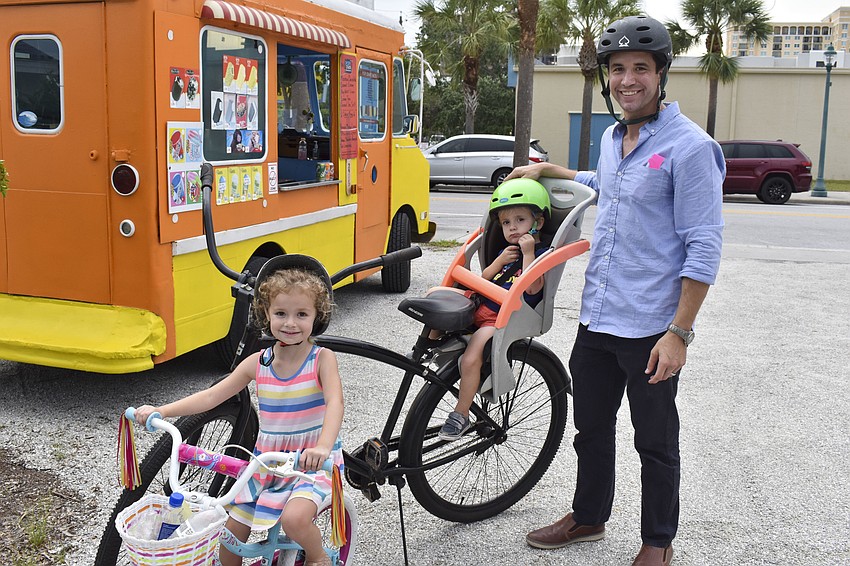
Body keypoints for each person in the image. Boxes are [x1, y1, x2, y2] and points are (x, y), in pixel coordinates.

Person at [509, 15, 724, 566]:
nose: (628, 80)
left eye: (640, 69)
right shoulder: (611, 137)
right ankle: (589, 517)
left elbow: (703, 248)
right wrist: (556, 169)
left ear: (661, 74)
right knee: (590, 428)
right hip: (598, 317)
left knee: (654, 442)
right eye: (618, 69)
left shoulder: (691, 148)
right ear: (607, 76)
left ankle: (657, 542)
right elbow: (610, 184)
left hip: (652, 325)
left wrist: (679, 333)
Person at [134, 255, 344, 566]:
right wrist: (162, 411)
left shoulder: (321, 359)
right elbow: (211, 397)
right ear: (266, 315)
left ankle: (319, 558)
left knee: (294, 520)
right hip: (266, 465)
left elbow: (335, 403)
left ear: (317, 317)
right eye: (281, 313)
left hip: (310, 464)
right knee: (230, 532)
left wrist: (324, 446)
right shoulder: (258, 363)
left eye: (302, 314)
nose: (290, 323)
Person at [431, 178, 550, 440]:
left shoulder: (539, 254)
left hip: (500, 319)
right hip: (483, 304)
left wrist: (529, 254)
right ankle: (428, 349)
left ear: (538, 223)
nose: (512, 228)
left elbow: (532, 288)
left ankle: (460, 415)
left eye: (520, 220)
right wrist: (498, 261)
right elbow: (485, 278)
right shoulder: (509, 252)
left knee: (472, 357)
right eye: (506, 223)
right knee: (436, 296)